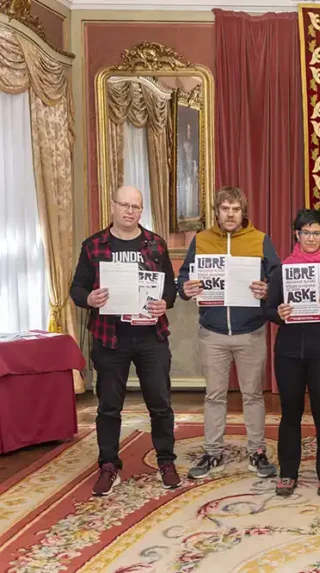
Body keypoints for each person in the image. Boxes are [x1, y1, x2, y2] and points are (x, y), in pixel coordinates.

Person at [70, 185, 180, 496]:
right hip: (110, 339)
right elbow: (76, 289)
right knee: (108, 407)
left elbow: (169, 288)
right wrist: (89, 298)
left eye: (136, 207)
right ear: (113, 206)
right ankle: (108, 465)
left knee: (160, 404)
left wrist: (165, 302)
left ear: (141, 211)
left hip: (151, 338)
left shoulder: (155, 244)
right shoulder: (93, 246)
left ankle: (166, 461)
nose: (130, 212)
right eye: (125, 205)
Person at [177, 186, 280, 480]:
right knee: (214, 396)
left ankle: (257, 452)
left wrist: (268, 289)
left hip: (251, 331)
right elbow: (185, 277)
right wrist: (186, 287)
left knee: (253, 396)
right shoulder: (202, 240)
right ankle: (212, 454)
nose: (230, 214)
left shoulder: (259, 240)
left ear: (242, 212)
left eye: (235, 209)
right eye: (225, 209)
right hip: (213, 332)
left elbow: (277, 278)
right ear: (217, 212)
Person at [265, 209, 320, 497]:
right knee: (290, 415)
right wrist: (279, 313)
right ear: (296, 235)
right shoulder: (282, 270)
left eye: (316, 233)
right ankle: (288, 473)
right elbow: (267, 308)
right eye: (306, 232)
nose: (311, 238)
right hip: (288, 353)